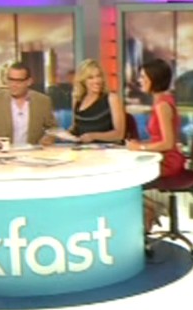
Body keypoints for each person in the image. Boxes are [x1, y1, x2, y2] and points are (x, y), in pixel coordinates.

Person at [125, 59, 185, 232]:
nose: (140, 80)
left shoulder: (162, 105)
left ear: (155, 79)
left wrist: (141, 148)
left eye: (143, 77)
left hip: (168, 161)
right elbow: (160, 138)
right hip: (164, 156)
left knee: (125, 180)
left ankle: (152, 208)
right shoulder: (162, 101)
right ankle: (148, 216)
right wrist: (139, 144)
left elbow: (168, 142)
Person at [0, 62, 58, 147]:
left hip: (32, 153)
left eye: (18, 81)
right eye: (11, 80)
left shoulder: (42, 101)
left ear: (29, 82)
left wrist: (49, 137)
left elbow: (53, 128)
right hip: (2, 152)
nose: (13, 85)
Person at [70, 59, 126, 144]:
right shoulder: (77, 100)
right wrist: (61, 134)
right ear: (83, 81)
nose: (96, 81)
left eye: (98, 76)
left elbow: (119, 134)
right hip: (83, 148)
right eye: (90, 78)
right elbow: (76, 128)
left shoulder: (112, 99)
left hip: (108, 149)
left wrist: (93, 136)